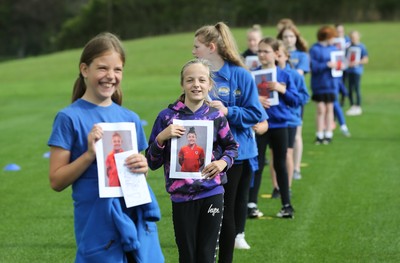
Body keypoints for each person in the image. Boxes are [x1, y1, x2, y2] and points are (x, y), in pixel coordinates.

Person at [47, 32, 164, 263]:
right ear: (84, 69)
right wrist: (90, 154)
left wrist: (143, 166)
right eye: (102, 68)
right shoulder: (69, 118)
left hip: (134, 219)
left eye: (117, 70)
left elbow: (136, 175)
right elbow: (56, 181)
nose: (110, 76)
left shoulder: (130, 118)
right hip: (96, 224)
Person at [146, 58, 238, 263]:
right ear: (182, 84)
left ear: (209, 84)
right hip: (181, 197)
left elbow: (232, 147)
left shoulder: (216, 117)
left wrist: (223, 162)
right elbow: (152, 162)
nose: (196, 84)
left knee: (206, 256)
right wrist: (162, 137)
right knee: (187, 256)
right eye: (190, 80)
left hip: (212, 193)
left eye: (201, 80)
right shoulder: (167, 117)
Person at [192, 22, 267, 260]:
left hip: (236, 156)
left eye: (197, 47)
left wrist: (228, 111)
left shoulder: (241, 75)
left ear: (211, 47)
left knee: (225, 214)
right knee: (204, 212)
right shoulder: (199, 76)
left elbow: (256, 114)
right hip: (203, 156)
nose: (193, 52)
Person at [248, 37, 299, 219]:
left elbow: (296, 101)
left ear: (277, 54)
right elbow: (244, 101)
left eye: (266, 51)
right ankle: (251, 204)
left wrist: (281, 89)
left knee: (281, 164)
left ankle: (286, 205)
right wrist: (256, 100)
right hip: (260, 126)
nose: (261, 54)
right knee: (257, 164)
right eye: (259, 51)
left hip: (279, 125)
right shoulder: (251, 75)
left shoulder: (284, 75)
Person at [276, 24, 310, 181]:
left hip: (293, 100)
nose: (289, 39)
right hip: (279, 103)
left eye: (291, 36)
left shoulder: (302, 55)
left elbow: (299, 74)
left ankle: (295, 168)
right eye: (285, 37)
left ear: (296, 37)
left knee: (296, 135)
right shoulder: (276, 56)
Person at [309, 25, 342, 145]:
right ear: (326, 37)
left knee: (330, 109)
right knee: (320, 109)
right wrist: (327, 65)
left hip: (331, 83)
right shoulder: (314, 49)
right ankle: (319, 134)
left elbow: (339, 64)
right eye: (332, 37)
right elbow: (313, 67)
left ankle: (328, 134)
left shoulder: (333, 49)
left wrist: (339, 66)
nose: (334, 39)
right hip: (319, 84)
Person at [345, 30, 369, 116]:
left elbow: (366, 59)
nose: (353, 39)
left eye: (355, 37)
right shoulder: (348, 47)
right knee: (350, 89)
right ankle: (352, 106)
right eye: (352, 37)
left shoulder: (362, 47)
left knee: (356, 88)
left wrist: (357, 62)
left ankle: (358, 106)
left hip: (357, 71)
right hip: (349, 70)